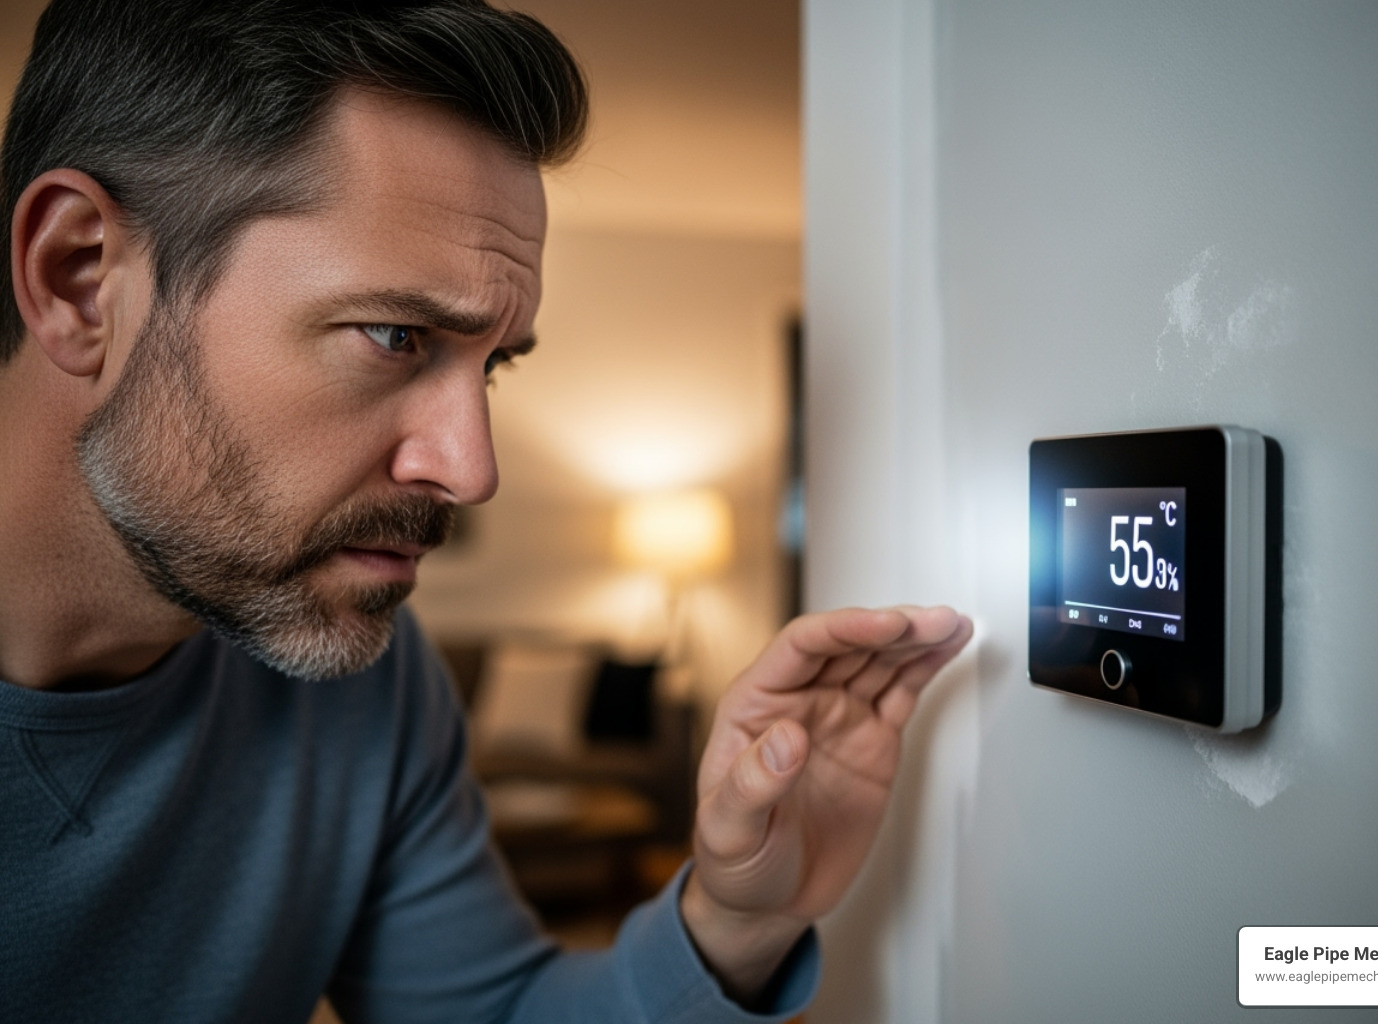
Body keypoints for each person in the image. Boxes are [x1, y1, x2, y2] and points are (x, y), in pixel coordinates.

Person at [0, 1, 974, 1020]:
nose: (471, 471)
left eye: (492, 368)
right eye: (393, 335)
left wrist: (736, 917)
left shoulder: (362, 680)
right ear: (79, 280)